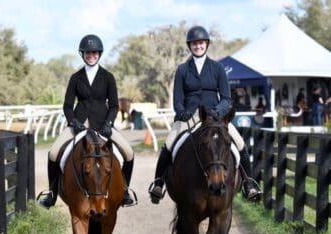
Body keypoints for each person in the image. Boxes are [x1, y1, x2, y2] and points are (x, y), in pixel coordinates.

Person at [148, 26, 261, 204]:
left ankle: (249, 184)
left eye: (201, 43)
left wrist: (218, 111)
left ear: (206, 44)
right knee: (168, 145)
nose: (198, 46)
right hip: (189, 116)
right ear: (190, 46)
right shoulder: (183, 69)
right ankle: (158, 183)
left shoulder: (217, 68)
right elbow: (177, 98)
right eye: (194, 43)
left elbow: (226, 98)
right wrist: (181, 112)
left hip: (214, 115)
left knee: (240, 144)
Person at [38, 34, 135, 208]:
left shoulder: (108, 77)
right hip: (79, 124)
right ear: (82, 54)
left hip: (102, 124)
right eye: (88, 53)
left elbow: (113, 105)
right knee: (53, 153)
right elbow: (67, 106)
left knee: (128, 152)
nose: (91, 55)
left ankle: (125, 191)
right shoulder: (76, 78)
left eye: (94, 52)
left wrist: (108, 123)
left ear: (99, 54)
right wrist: (73, 121)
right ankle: (52, 193)